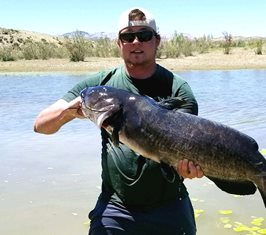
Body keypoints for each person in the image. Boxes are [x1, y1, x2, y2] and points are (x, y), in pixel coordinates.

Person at [34, 7, 204, 235]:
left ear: (157, 41)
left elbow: (187, 152)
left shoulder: (178, 89)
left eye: (144, 35)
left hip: (170, 206)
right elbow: (41, 125)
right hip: (115, 207)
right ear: (119, 43)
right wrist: (68, 112)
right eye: (127, 36)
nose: (136, 42)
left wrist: (189, 170)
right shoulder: (99, 87)